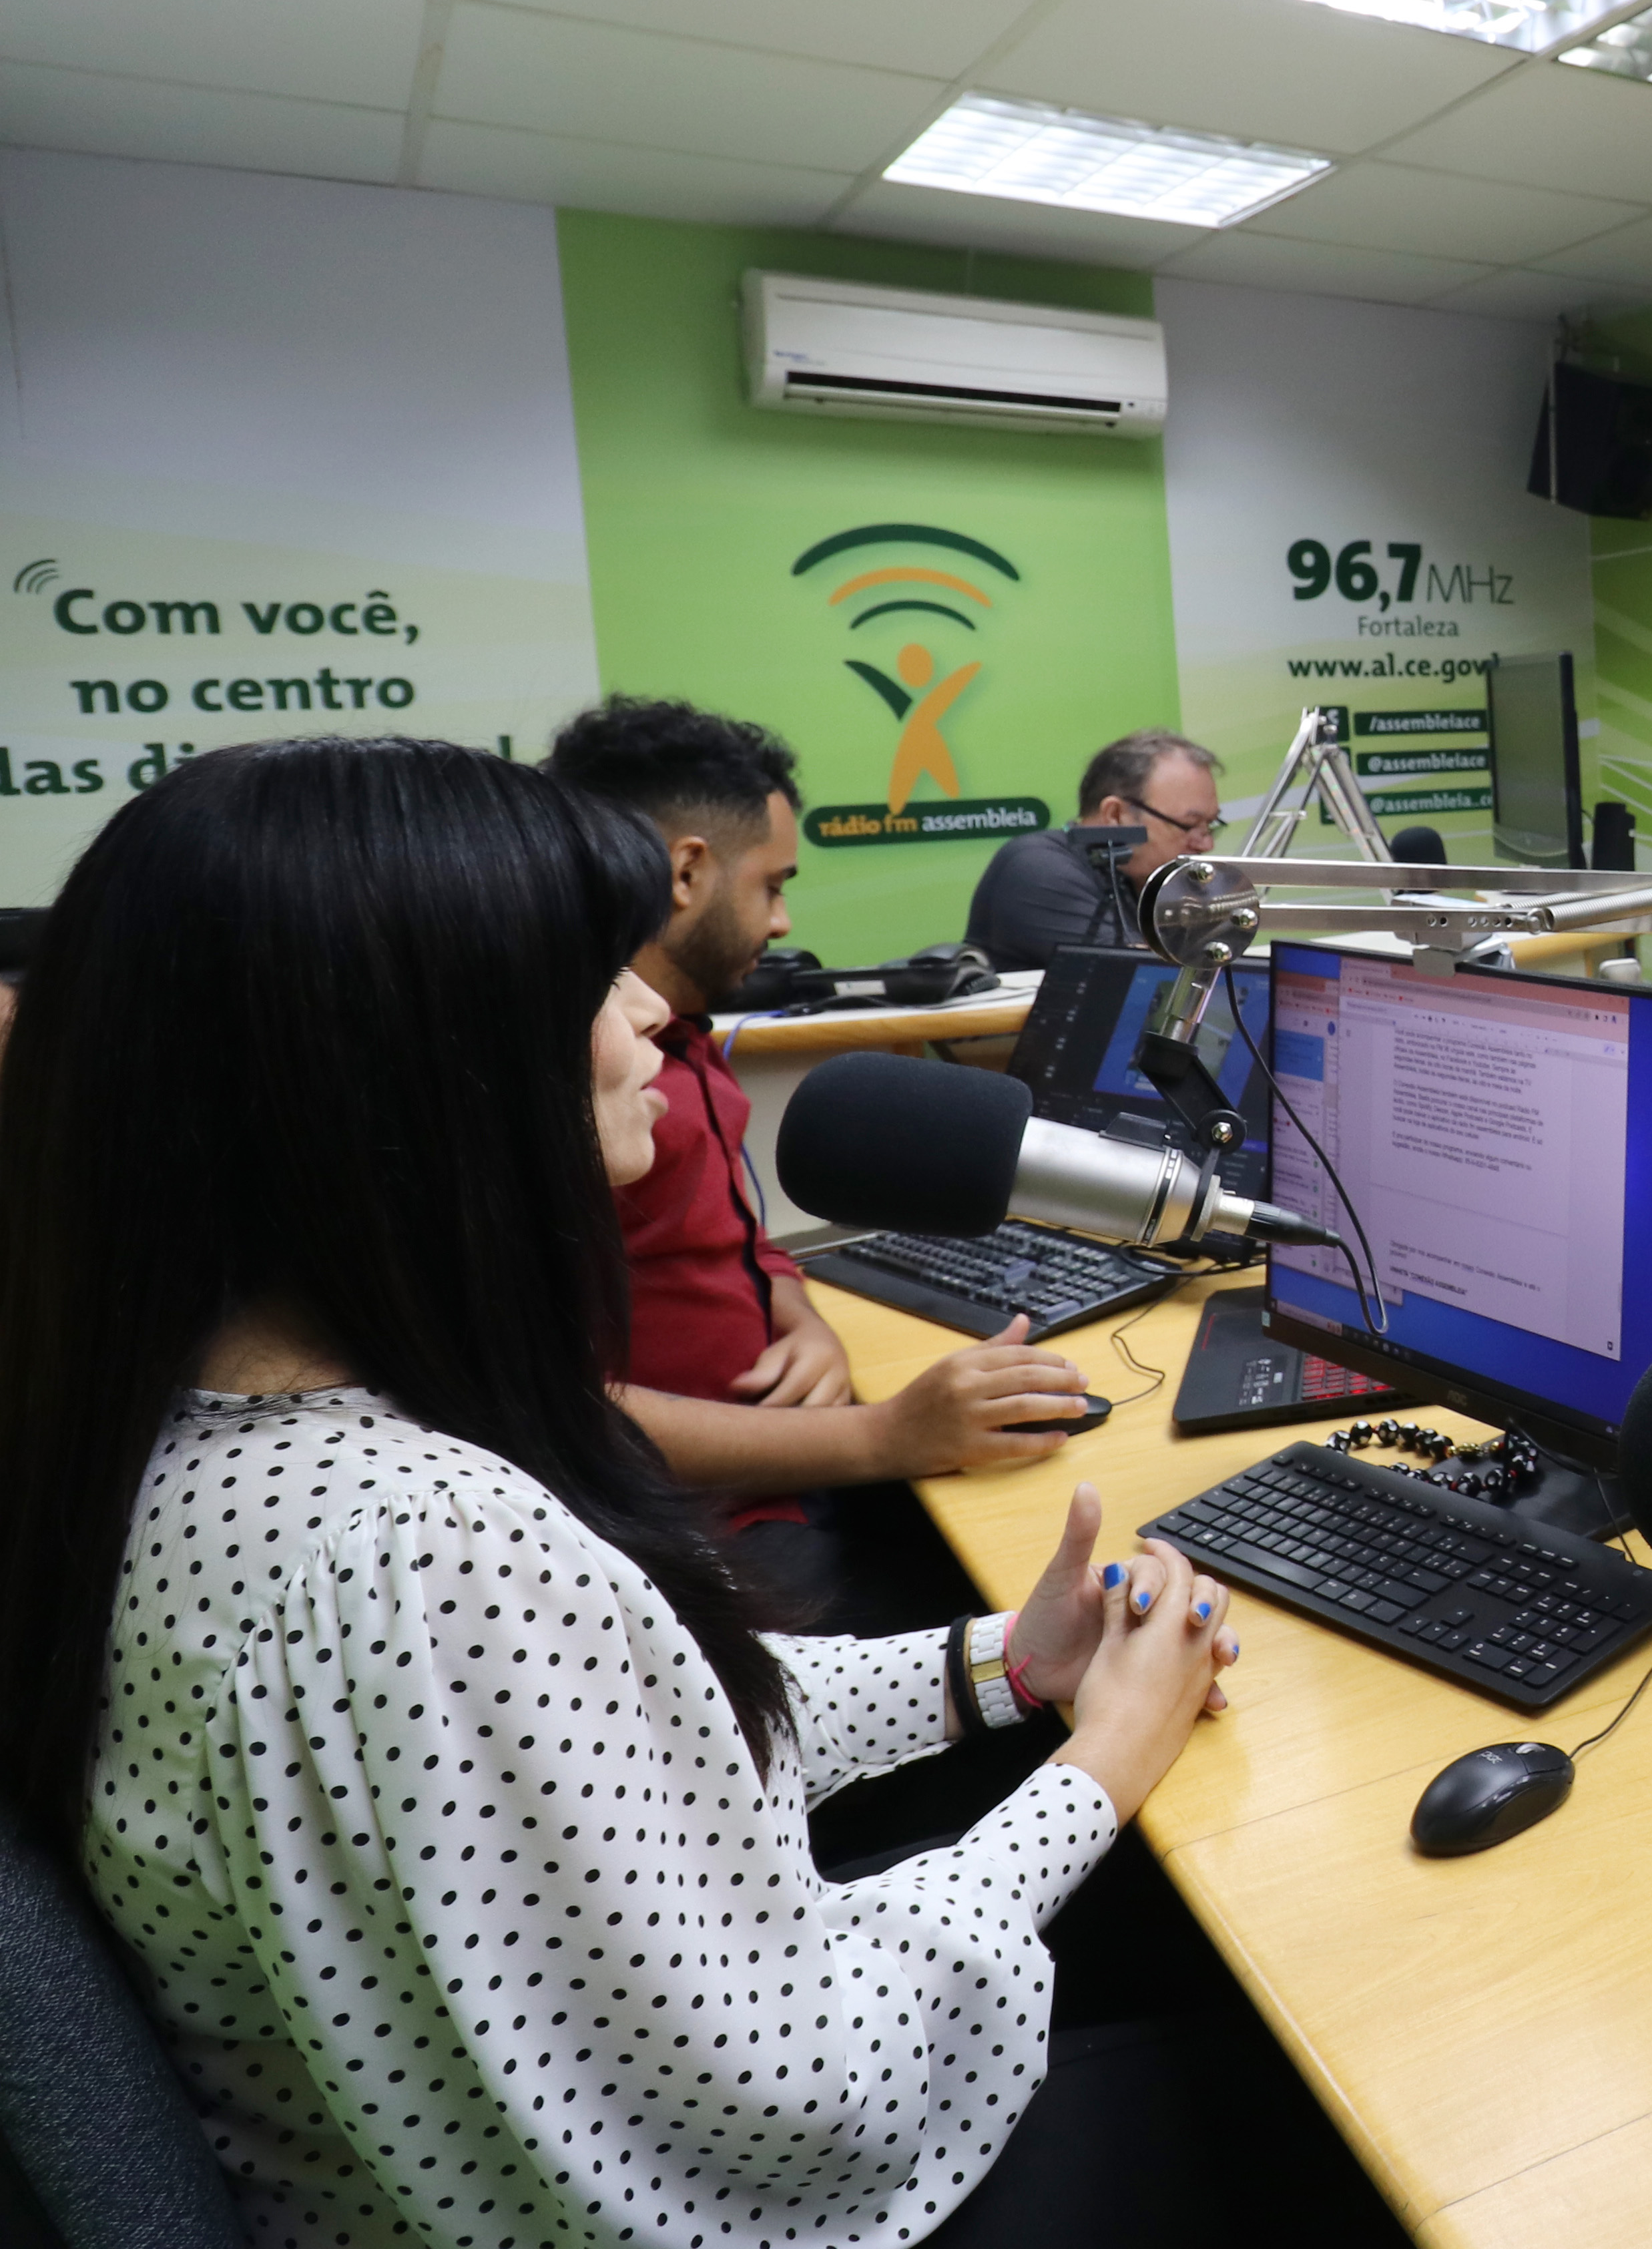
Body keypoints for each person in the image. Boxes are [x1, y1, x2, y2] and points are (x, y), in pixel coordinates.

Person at [0, 737, 1242, 2246]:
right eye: (593, 978)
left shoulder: (223, 1429)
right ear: (412, 1069)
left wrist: (999, 1668)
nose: (649, 1007)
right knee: (1270, 2057)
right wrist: (1102, 1759)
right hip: (758, 2176)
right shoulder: (411, 1556)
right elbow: (812, 2096)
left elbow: (649, 1733)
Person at [547, 696, 1085, 1620]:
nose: (784, 920)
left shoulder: (684, 1039)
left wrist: (798, 1316)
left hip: (792, 1473)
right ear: (686, 872)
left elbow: (737, 1242)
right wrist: (883, 1436)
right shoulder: (581, 1095)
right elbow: (561, 1410)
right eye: (772, 884)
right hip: (702, 1534)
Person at [965, 729, 1224, 975]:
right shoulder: (1036, 867)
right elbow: (1142, 971)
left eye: (1210, 826)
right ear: (1116, 815)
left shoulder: (1147, 878)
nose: (1206, 845)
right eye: (1189, 825)